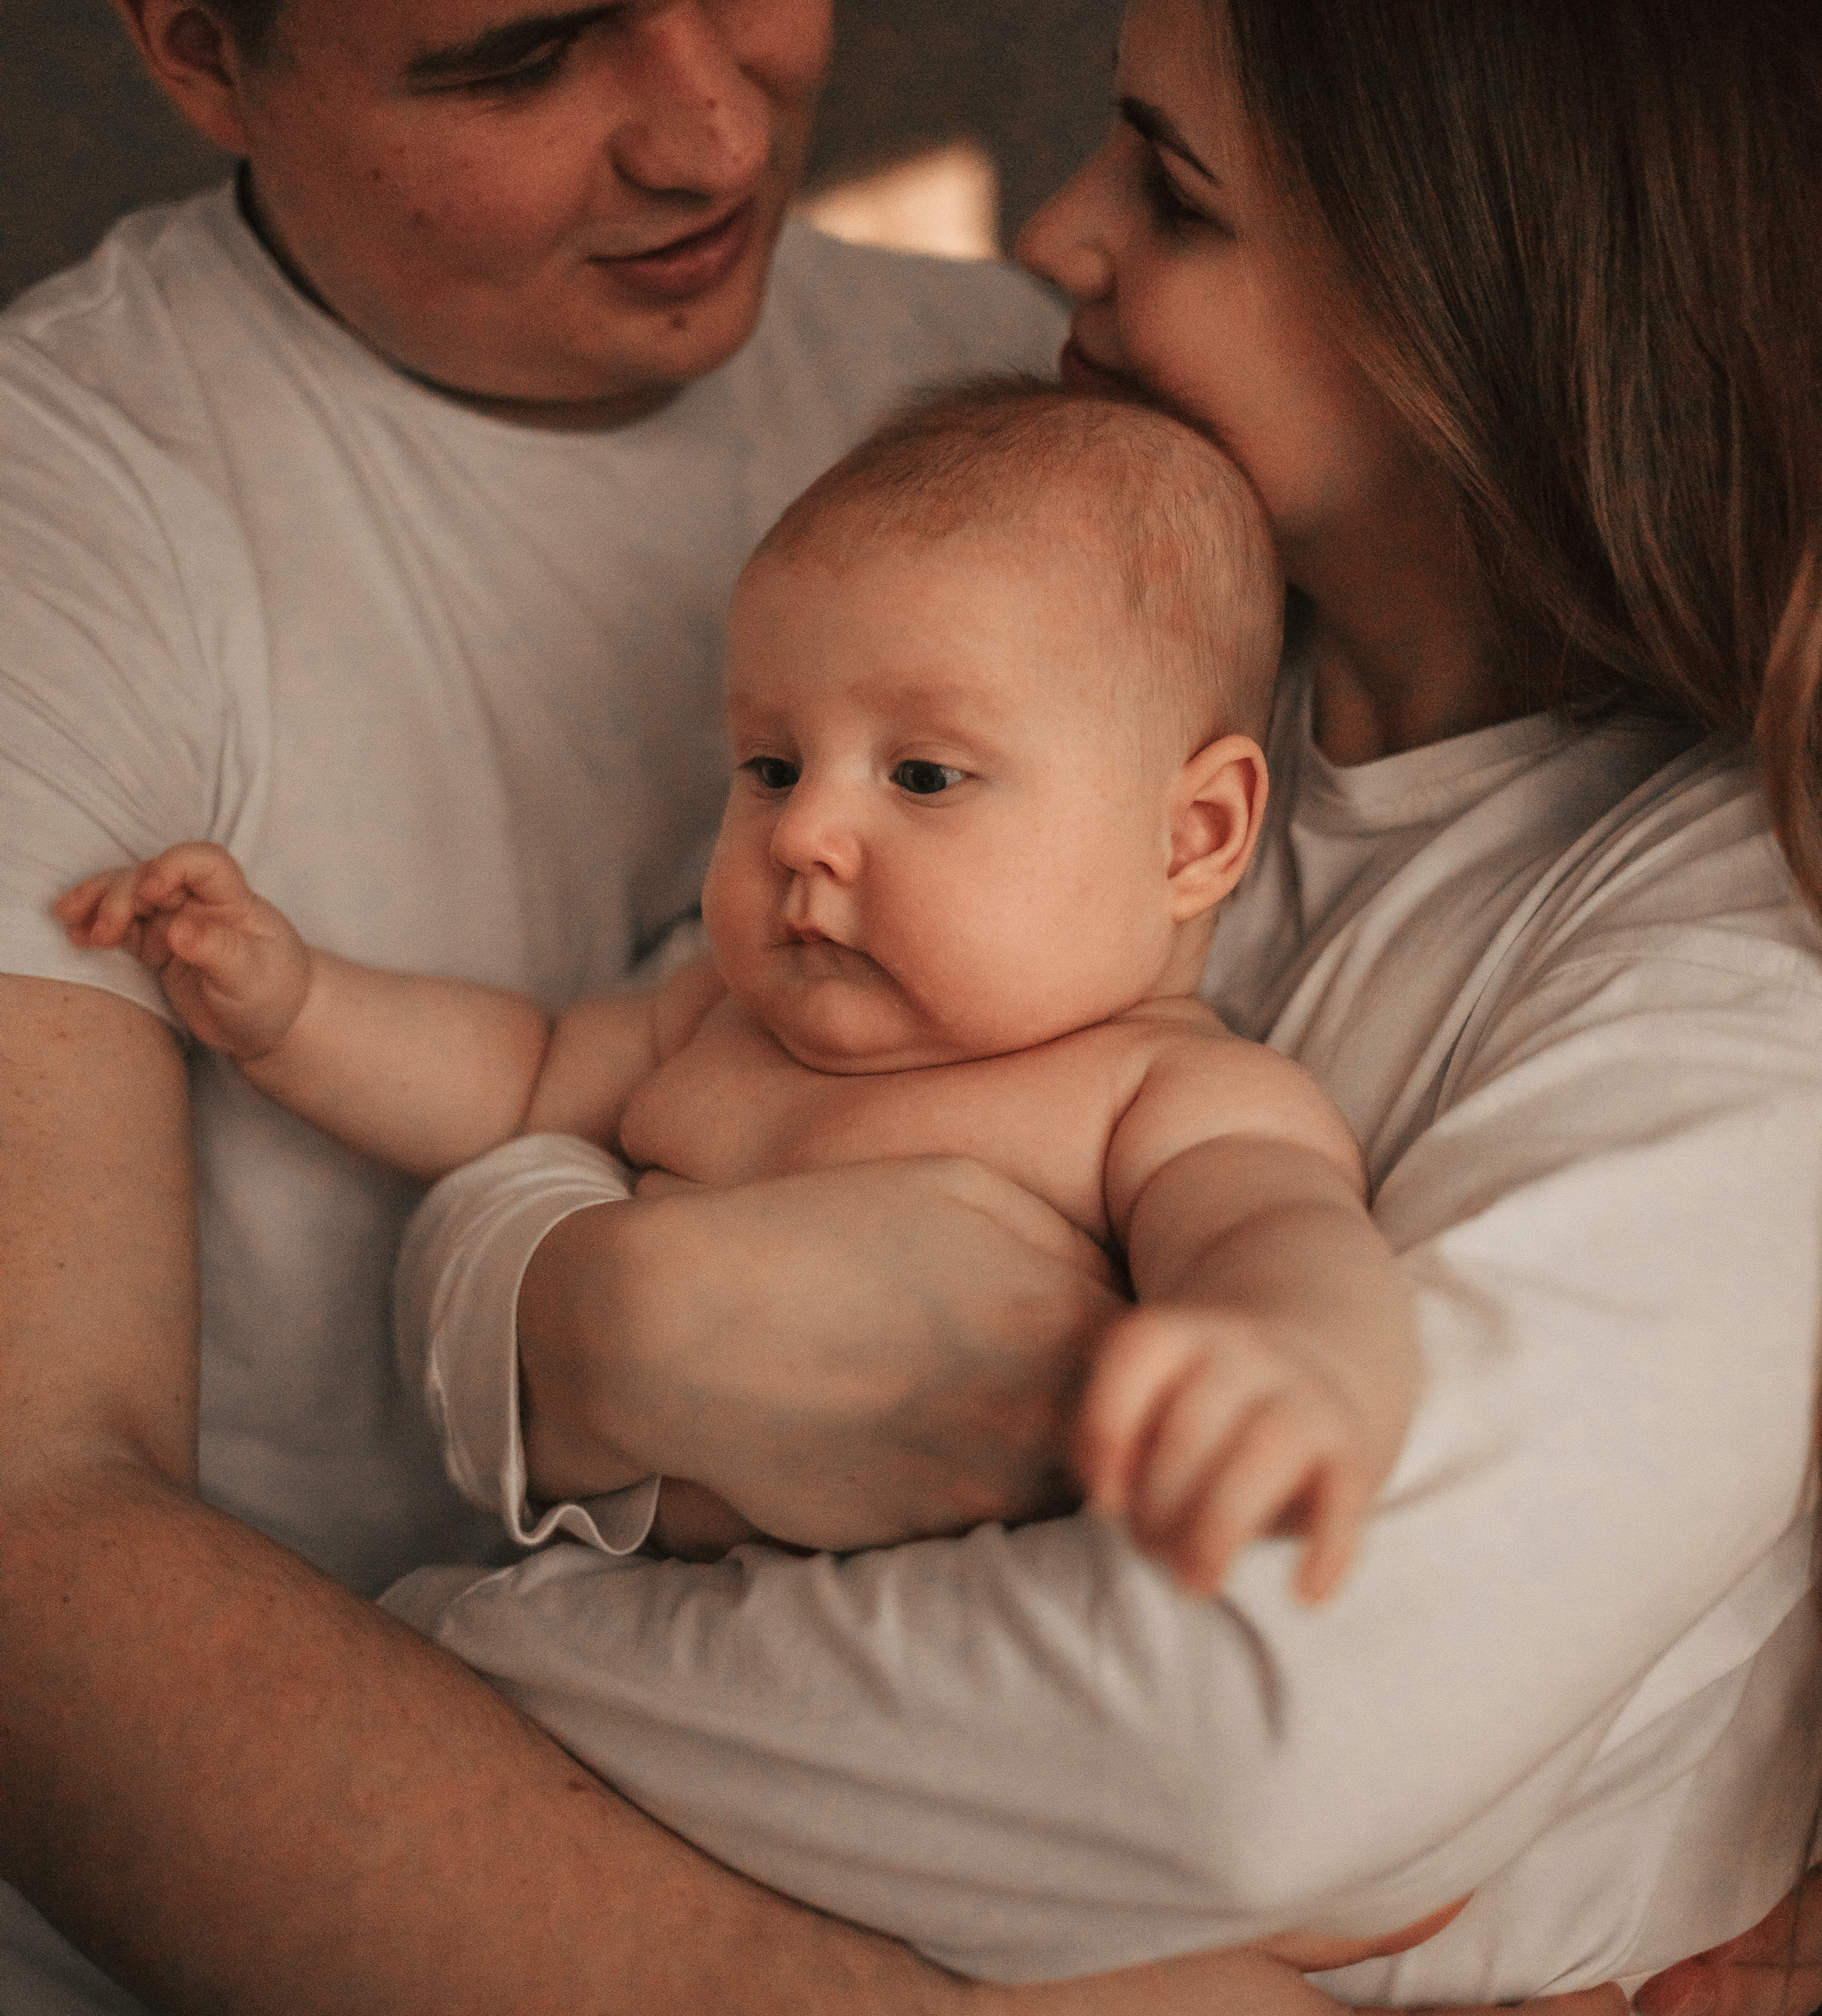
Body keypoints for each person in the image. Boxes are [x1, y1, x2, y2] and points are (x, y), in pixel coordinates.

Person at [0, 0, 1665, 2016]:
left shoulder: (1044, 424)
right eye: (521, 57)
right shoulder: (61, 524)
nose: (710, 123)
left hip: (920, 1827)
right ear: (193, 44)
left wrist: (1702, 1786)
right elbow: (33, 1558)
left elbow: (1434, 996)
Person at [351, 0, 1822, 2016]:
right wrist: (600, 1321)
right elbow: (625, 1081)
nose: (1053, 232)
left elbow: (1240, 1761)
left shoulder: (1735, 964)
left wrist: (426, 1702)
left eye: (1175, 185)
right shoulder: (1053, 666)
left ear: (1478, 301)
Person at [60, 382, 1421, 1618]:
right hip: (583, 1655)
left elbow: (1277, 1237)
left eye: (924, 777)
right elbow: (510, 1077)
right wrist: (292, 1006)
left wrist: (1294, 1364)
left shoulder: (1162, 1095)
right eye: (771, 766)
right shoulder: (717, 1021)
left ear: (1192, 838)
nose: (802, 833)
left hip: (905, 1678)